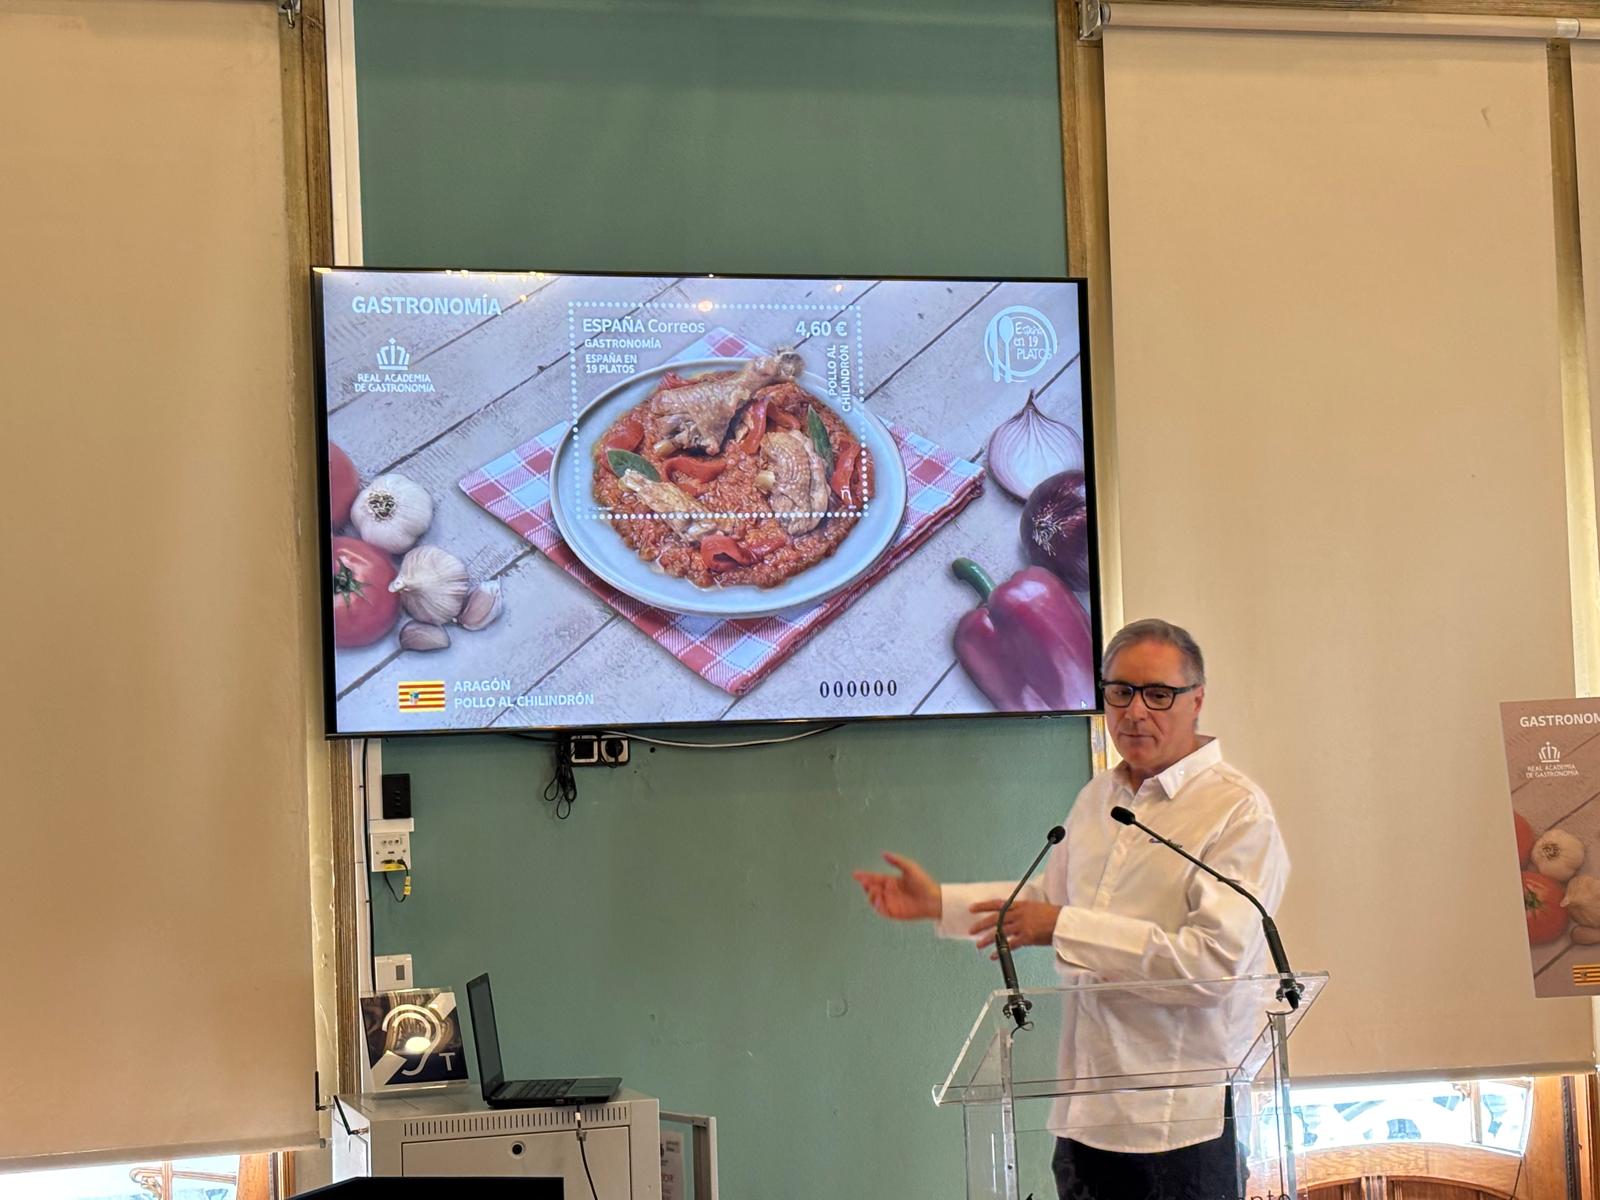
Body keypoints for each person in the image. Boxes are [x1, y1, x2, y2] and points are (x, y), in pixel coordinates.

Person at [855, 618, 1290, 1200]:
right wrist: (941, 903)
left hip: (1179, 1128)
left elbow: (1213, 967)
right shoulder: (1098, 798)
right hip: (1085, 1122)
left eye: (1158, 694)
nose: (1135, 711)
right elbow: (1050, 901)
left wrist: (1063, 927)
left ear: (1197, 700)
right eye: (1120, 691)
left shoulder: (1237, 813)